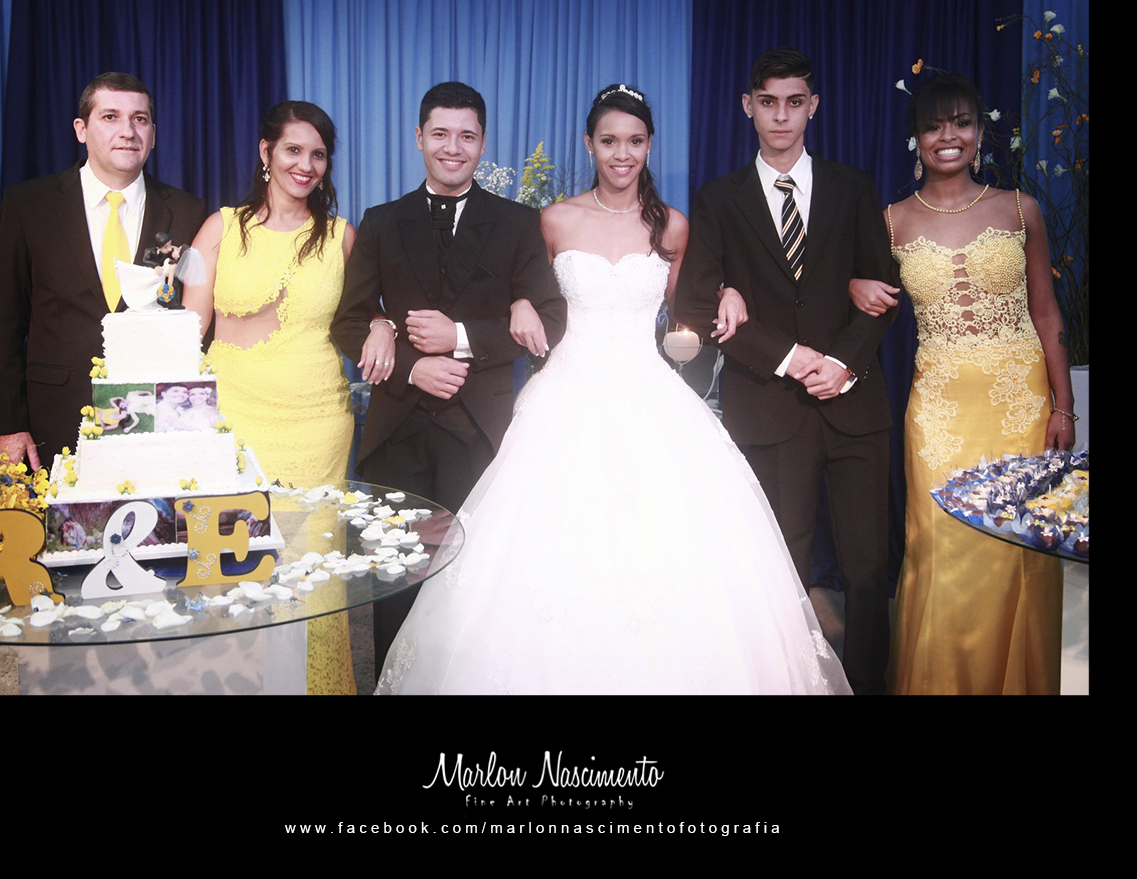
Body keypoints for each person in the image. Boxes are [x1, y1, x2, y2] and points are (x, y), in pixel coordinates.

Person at [373, 83, 851, 694]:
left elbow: (690, 307)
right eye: (609, 141)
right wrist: (513, 303)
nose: (622, 154)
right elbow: (519, 292)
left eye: (634, 141)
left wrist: (727, 290)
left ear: (649, 145)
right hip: (565, 396)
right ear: (589, 144)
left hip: (650, 396)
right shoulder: (554, 219)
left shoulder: (672, 226)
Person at [676, 49, 896, 695]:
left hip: (853, 405)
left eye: (794, 102)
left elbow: (882, 292)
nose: (781, 116)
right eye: (768, 102)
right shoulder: (718, 199)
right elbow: (695, 303)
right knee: (781, 569)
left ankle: (867, 685)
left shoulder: (852, 187)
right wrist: (788, 356)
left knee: (867, 570)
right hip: (769, 408)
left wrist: (842, 363)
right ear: (748, 106)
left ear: (813, 106)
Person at [332, 81, 568, 681]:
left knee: (472, 592)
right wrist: (411, 363)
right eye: (440, 134)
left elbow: (551, 319)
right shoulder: (381, 222)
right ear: (419, 138)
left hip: (480, 433)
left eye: (467, 136)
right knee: (395, 585)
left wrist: (460, 336)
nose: (453, 147)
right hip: (398, 428)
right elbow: (348, 322)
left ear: (483, 143)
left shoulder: (517, 223)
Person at [850, 72, 1074, 695]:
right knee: (942, 550)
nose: (948, 136)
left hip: (1021, 406)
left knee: (1016, 551)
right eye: (933, 126)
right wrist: (852, 284)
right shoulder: (891, 221)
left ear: (979, 131)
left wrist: (1064, 406)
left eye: (961, 123)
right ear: (916, 138)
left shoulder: (1019, 208)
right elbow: (850, 292)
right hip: (939, 412)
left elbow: (1046, 311)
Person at [0, 72, 207, 469]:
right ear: (81, 129)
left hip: (152, 427)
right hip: (51, 422)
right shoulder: (29, 206)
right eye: (110, 117)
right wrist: (7, 425)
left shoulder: (188, 212)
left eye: (140, 119)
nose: (127, 131)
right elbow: (1, 323)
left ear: (153, 135)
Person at [184, 101, 391, 487]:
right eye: (293, 150)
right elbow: (186, 331)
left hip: (319, 422)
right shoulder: (219, 228)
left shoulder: (341, 237)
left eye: (318, 155)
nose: (306, 165)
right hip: (229, 415)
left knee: (313, 528)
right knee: (234, 526)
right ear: (267, 151)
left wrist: (382, 326)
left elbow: (366, 311)